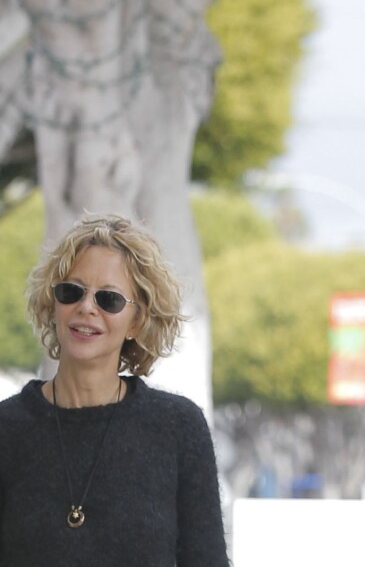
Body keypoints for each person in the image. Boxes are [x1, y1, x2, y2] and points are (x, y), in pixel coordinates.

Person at [0, 214, 230, 567]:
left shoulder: (178, 428)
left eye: (109, 299)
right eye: (71, 291)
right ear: (54, 303)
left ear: (137, 321)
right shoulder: (7, 428)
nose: (86, 307)